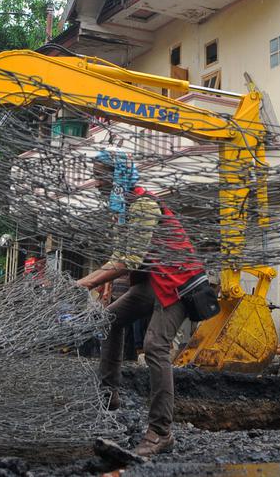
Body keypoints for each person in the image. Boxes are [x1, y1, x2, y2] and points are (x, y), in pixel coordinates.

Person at [76, 150, 204, 457]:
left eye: (101, 176)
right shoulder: (123, 210)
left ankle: (161, 432)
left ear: (117, 177)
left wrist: (84, 283)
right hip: (152, 283)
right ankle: (109, 397)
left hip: (178, 284)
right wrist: (101, 285)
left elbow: (129, 258)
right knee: (107, 320)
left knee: (155, 344)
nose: (97, 183)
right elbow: (119, 257)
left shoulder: (144, 204)